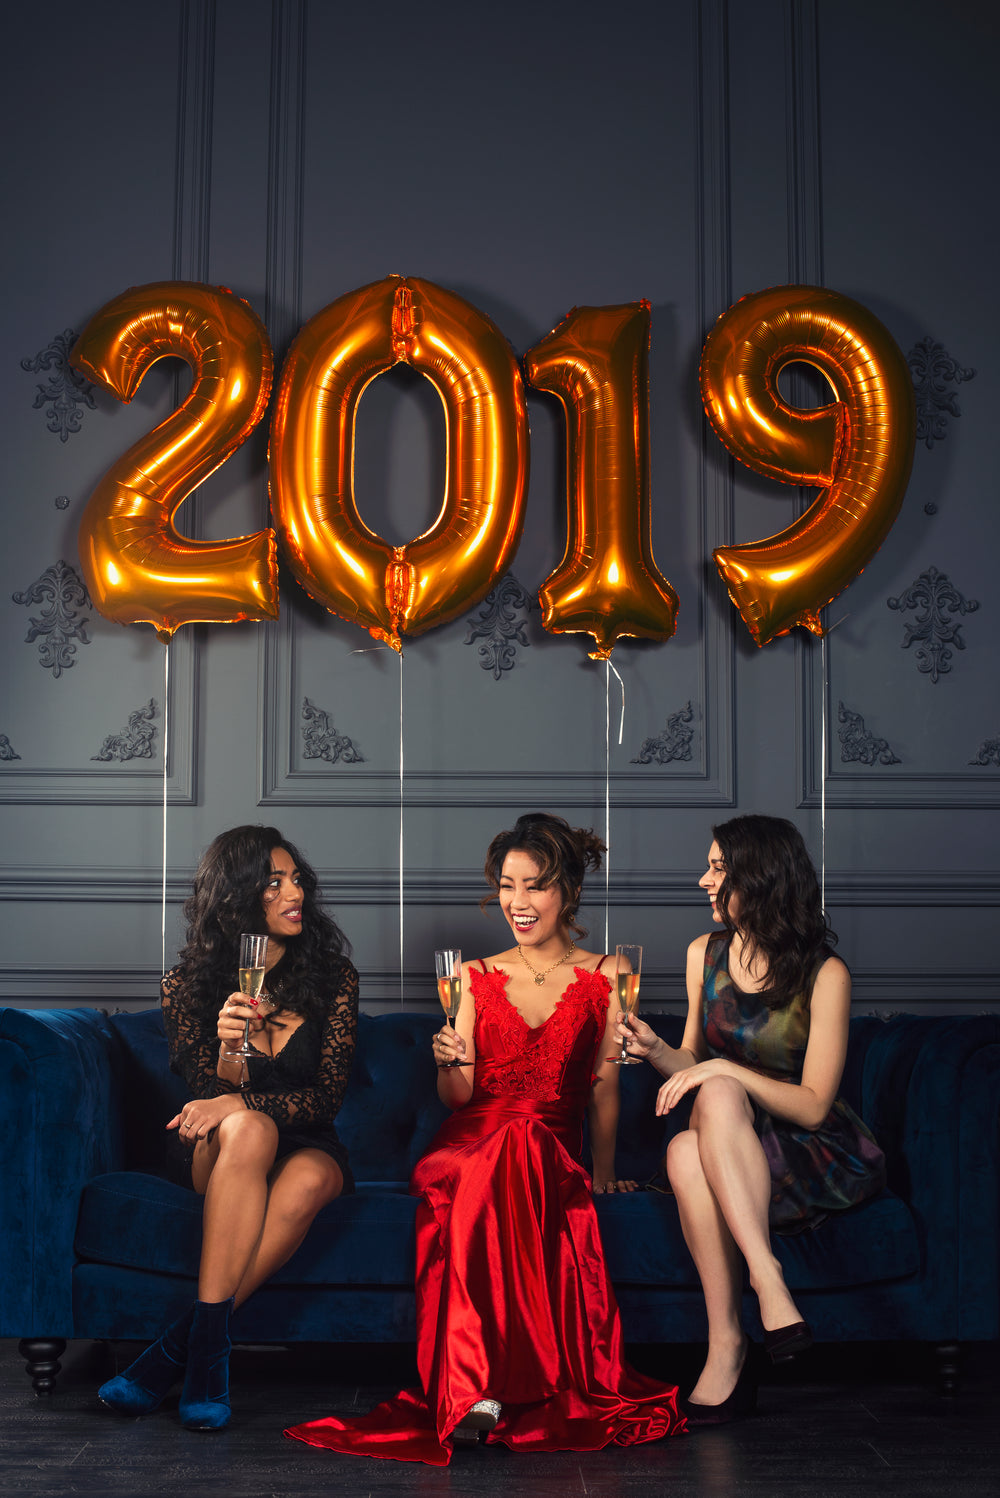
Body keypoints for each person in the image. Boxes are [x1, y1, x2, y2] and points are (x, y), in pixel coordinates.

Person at [285, 812, 686, 1465]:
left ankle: (490, 1390)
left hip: (553, 1143)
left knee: (522, 1147)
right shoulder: (471, 977)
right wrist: (449, 1059)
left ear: (570, 892)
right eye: (507, 886)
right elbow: (458, 1099)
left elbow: (605, 1089)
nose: (518, 903)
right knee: (492, 1155)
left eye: (535, 886)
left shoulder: (609, 975)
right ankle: (478, 1390)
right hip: (471, 1139)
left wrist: (604, 1169)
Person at [614, 814, 885, 1424]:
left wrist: (724, 1073)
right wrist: (657, 1051)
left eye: (717, 868)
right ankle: (738, 1330)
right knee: (687, 1146)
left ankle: (759, 1291)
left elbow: (815, 1103)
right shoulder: (703, 954)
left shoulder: (825, 973)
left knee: (710, 1103)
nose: (702, 880)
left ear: (758, 878)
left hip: (803, 1149)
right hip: (724, 1142)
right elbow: (691, 1058)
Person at [98, 825, 358, 1430]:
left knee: (310, 1178)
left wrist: (240, 1103)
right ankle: (204, 1364)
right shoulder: (186, 986)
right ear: (239, 896)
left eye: (297, 879)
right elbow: (209, 1100)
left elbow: (326, 1100)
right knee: (248, 1130)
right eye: (275, 883)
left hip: (307, 1143)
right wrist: (230, 1052)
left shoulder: (333, 978)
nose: (296, 892)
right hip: (219, 1151)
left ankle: (180, 1354)